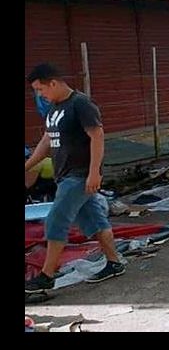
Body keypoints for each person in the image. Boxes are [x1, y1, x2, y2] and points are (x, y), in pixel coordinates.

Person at [25, 63, 125, 293]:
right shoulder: (53, 110)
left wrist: (94, 172)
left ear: (53, 82)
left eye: (41, 89)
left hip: (79, 175)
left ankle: (46, 276)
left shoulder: (80, 103)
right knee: (95, 221)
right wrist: (27, 165)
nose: (40, 95)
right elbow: (46, 143)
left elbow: (97, 136)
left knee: (55, 220)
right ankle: (114, 263)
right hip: (64, 175)